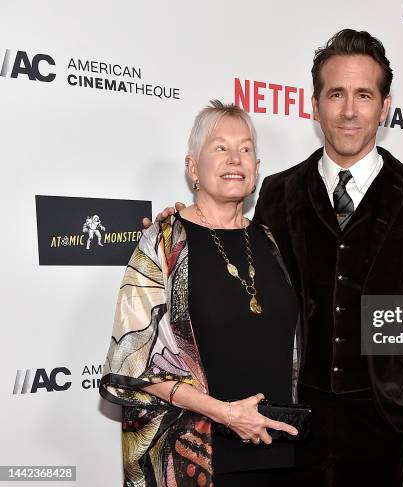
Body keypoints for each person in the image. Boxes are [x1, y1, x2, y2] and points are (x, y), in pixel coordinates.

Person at [150, 29, 403, 487]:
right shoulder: (278, 190)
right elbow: (235, 248)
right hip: (288, 422)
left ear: (385, 106)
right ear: (314, 106)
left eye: (363, 95)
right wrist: (180, 226)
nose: (349, 110)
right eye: (336, 94)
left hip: (381, 425)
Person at [100, 100, 300, 487]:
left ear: (257, 170)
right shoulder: (163, 243)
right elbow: (133, 363)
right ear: (192, 167)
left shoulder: (271, 242)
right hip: (195, 458)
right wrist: (227, 413)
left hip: (278, 457)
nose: (234, 158)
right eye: (220, 147)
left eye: (245, 149)